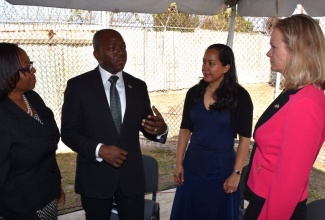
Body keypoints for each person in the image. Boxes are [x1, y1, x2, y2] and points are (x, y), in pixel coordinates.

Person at [60, 29, 168, 220]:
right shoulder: (78, 86)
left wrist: (160, 130)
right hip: (95, 178)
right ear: (97, 54)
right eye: (112, 48)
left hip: (131, 178)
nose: (120, 52)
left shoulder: (138, 86)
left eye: (123, 47)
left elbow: (147, 125)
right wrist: (99, 149)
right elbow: (69, 133)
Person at [243, 14, 325, 220]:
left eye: (274, 47)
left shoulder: (306, 102)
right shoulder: (296, 91)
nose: (268, 53)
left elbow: (289, 182)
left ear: (295, 51)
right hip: (265, 197)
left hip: (274, 206)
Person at [170, 44, 253, 220]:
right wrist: (179, 162)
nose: (205, 68)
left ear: (226, 67)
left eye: (211, 63)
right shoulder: (194, 93)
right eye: (204, 62)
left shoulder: (241, 97)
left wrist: (236, 174)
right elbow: (185, 129)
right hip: (193, 166)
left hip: (222, 169)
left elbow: (245, 139)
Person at [0, 43, 65, 219]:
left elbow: (48, 147)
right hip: (21, 209)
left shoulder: (33, 98)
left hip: (46, 197)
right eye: (27, 67)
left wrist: (55, 184)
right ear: (7, 72)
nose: (33, 70)